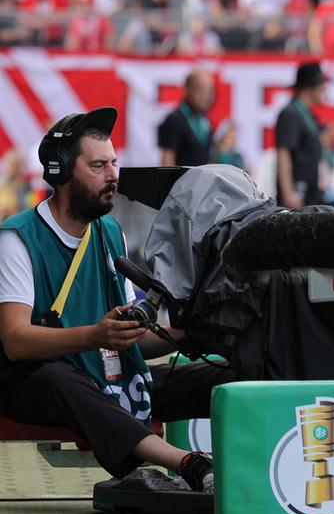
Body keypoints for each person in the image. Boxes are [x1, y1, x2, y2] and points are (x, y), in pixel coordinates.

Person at [0, 106, 236, 491]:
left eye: (113, 162)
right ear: (60, 173)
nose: (113, 175)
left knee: (225, 373)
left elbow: (130, 339)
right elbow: (15, 340)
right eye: (98, 166)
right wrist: (95, 336)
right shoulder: (17, 238)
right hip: (36, 384)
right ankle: (189, 462)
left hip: (107, 376)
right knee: (58, 377)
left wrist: (195, 334)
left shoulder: (110, 231)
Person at [274, 61, 327, 208]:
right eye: (321, 83)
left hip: (310, 192)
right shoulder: (290, 114)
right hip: (297, 193)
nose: (325, 88)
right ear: (310, 86)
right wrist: (288, 192)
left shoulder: (307, 115)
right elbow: (284, 153)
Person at [157, 70, 214, 167]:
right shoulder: (174, 119)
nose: (206, 96)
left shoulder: (204, 122)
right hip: (182, 181)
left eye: (209, 91)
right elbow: (167, 160)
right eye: (200, 89)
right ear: (187, 90)